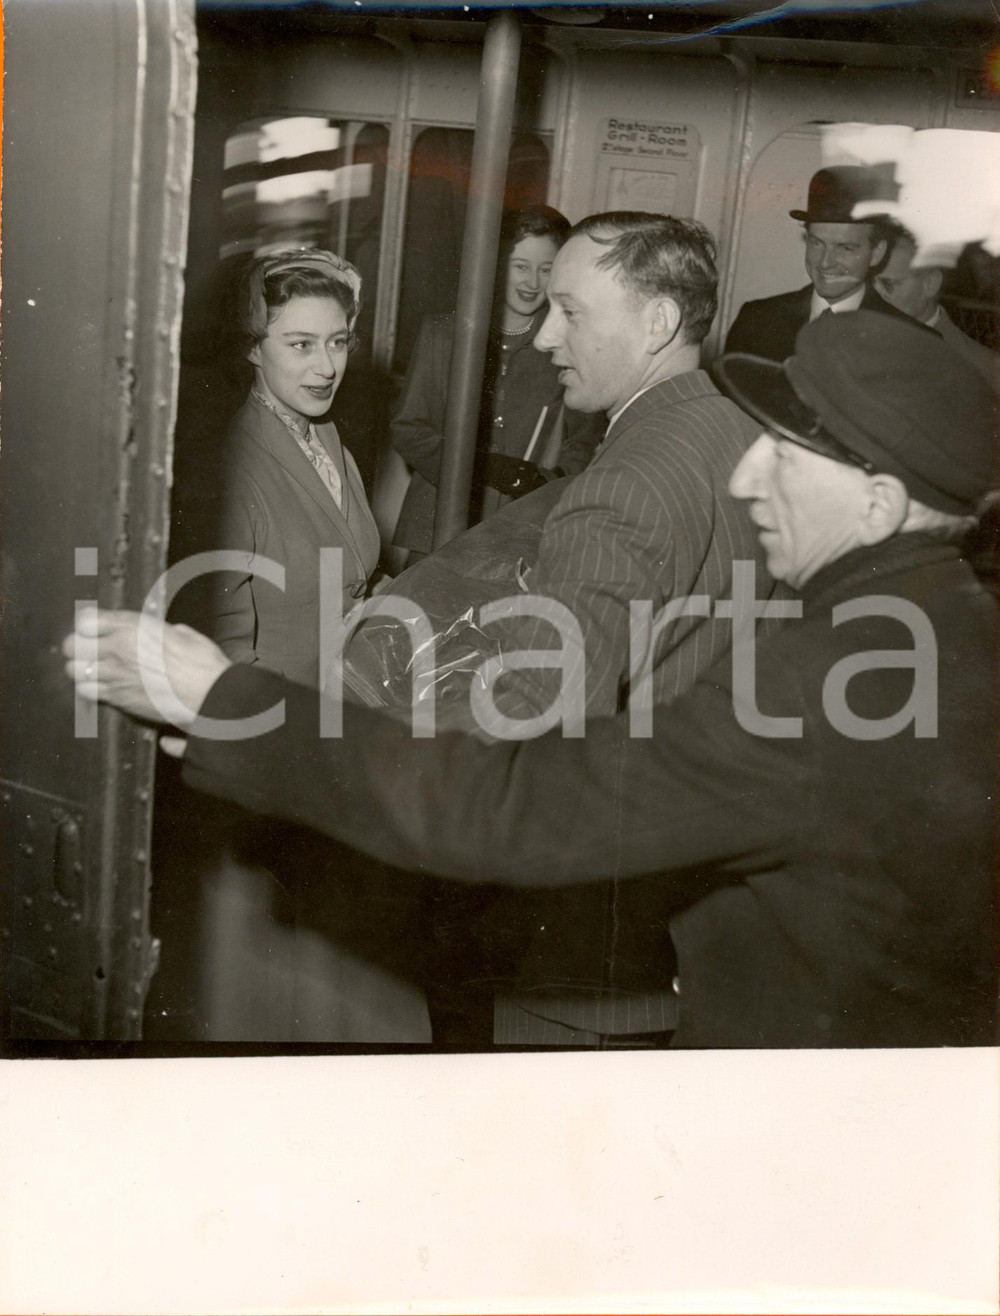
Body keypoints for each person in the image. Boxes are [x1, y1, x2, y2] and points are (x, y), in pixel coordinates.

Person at [68, 310, 999, 1048]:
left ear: (879, 507)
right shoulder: (951, 628)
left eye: (785, 457)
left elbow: (507, 807)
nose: (750, 480)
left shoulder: (823, 680)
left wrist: (224, 703)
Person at [391, 206, 603, 557]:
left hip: (521, 531)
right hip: (435, 528)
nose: (532, 282)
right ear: (494, 264)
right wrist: (481, 466)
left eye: (545, 269)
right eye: (520, 266)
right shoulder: (443, 334)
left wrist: (545, 483)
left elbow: (583, 442)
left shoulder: (567, 344)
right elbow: (409, 429)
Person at [212, 248, 381, 687]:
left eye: (337, 342)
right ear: (253, 347)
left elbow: (352, 574)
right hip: (285, 726)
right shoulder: (235, 472)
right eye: (301, 344)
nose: (326, 368)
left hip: (350, 701)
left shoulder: (324, 438)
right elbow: (225, 657)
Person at [724, 166, 907, 361]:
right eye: (817, 243)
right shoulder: (756, 320)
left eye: (845, 248)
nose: (826, 262)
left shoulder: (909, 342)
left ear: (877, 253)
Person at [873, 224, 999, 387]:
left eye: (888, 284)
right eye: (869, 283)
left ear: (930, 283)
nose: (874, 295)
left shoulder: (982, 370)